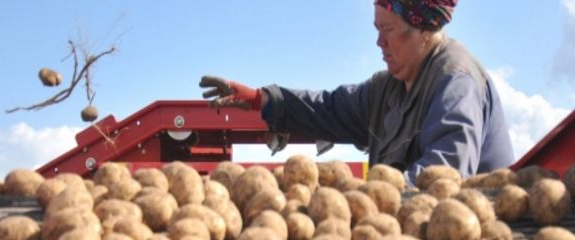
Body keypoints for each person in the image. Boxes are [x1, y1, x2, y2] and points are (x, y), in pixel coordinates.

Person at [199, 0, 514, 184]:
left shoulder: (456, 82)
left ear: (423, 31)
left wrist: (367, 199)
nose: (379, 43)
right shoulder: (387, 89)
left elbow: (443, 175)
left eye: (387, 30)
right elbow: (329, 109)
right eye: (377, 30)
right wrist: (261, 99)